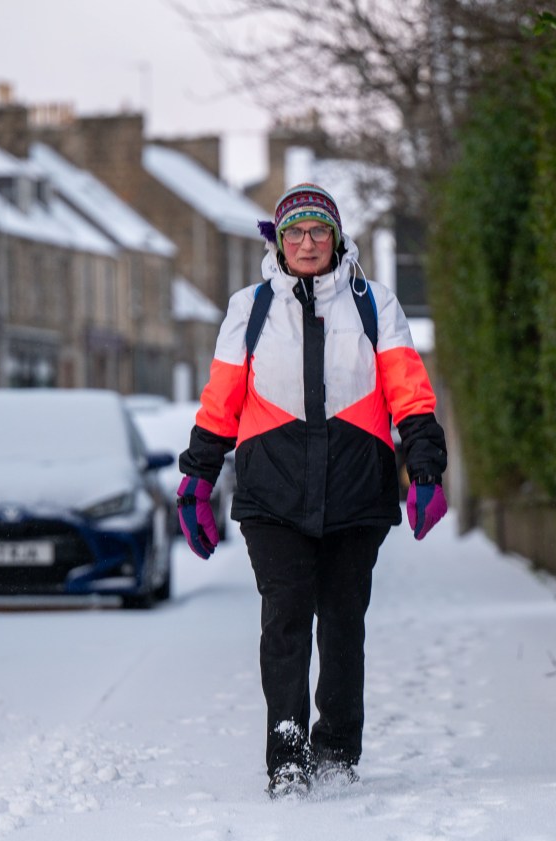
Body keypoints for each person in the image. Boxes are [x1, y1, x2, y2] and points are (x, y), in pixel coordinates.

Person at [177, 183, 447, 799]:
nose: (306, 243)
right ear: (278, 240)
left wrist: (425, 469)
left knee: (343, 622)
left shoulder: (375, 304)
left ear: (336, 238)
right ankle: (289, 755)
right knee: (286, 621)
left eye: (317, 231)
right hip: (272, 494)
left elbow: (410, 394)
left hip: (357, 492)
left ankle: (337, 749)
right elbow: (221, 403)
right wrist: (197, 477)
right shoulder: (249, 310)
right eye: (294, 232)